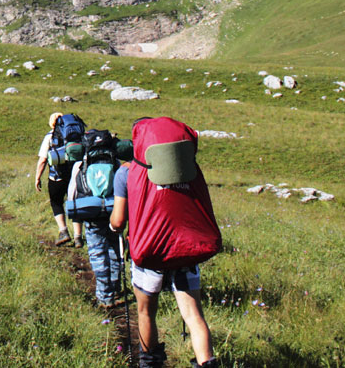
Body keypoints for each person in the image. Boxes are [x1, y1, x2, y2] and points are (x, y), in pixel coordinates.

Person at [110, 160, 219, 368]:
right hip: (185, 250)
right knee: (194, 316)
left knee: (146, 312)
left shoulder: (126, 172)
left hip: (149, 253)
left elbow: (117, 221)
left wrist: (115, 229)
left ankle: (150, 363)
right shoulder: (186, 167)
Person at [65, 129, 122, 309]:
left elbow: (72, 192)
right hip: (114, 211)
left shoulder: (80, 164)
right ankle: (116, 286)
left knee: (97, 251)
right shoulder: (116, 162)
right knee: (114, 247)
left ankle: (105, 296)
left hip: (91, 210)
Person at [34, 112, 83, 246]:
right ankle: (78, 237)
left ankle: (63, 231)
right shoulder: (78, 135)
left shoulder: (50, 136)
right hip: (76, 174)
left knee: (56, 202)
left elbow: (43, 160)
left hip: (57, 177)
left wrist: (37, 178)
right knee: (75, 203)